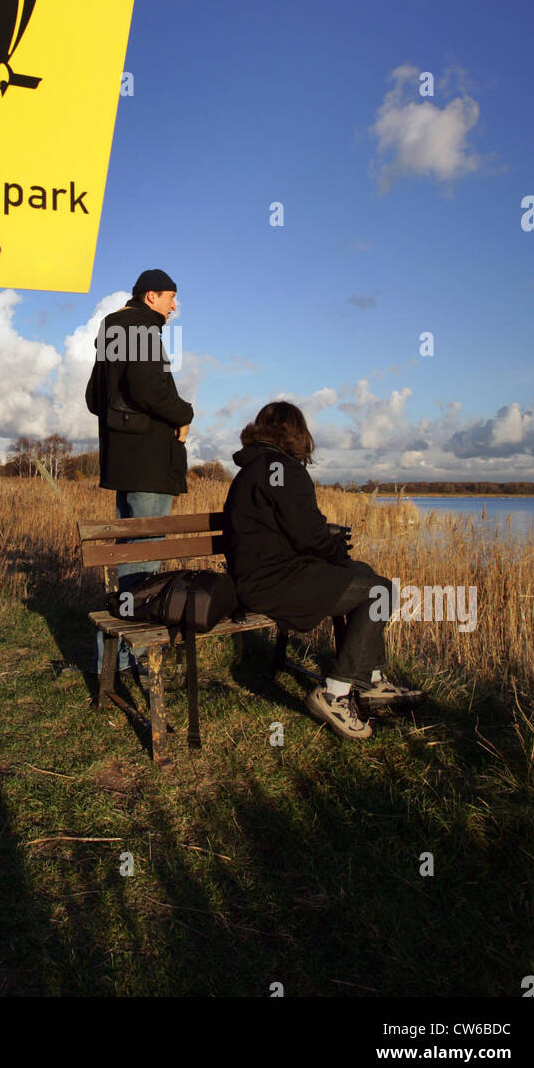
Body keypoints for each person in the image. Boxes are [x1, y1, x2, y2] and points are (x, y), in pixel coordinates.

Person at [222, 401, 426, 739]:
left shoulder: (254, 468)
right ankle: (334, 691)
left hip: (257, 578)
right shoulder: (284, 469)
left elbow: (285, 529)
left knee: (365, 572)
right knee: (380, 591)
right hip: (275, 583)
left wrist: (330, 548)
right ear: (298, 434)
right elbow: (310, 535)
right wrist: (333, 545)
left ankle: (372, 680)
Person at [85, 269, 193, 677]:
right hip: (148, 463)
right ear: (151, 296)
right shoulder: (140, 328)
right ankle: (129, 660)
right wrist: (184, 414)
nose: (173, 306)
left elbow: (95, 398)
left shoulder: (113, 330)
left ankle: (113, 659)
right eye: (170, 297)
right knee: (143, 560)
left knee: (132, 553)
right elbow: (151, 389)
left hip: (124, 460)